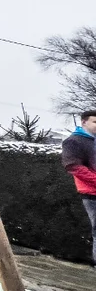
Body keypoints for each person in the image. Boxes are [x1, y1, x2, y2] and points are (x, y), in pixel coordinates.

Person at [61, 110, 96, 266]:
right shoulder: (74, 141)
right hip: (92, 194)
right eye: (95, 122)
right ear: (84, 122)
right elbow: (73, 166)